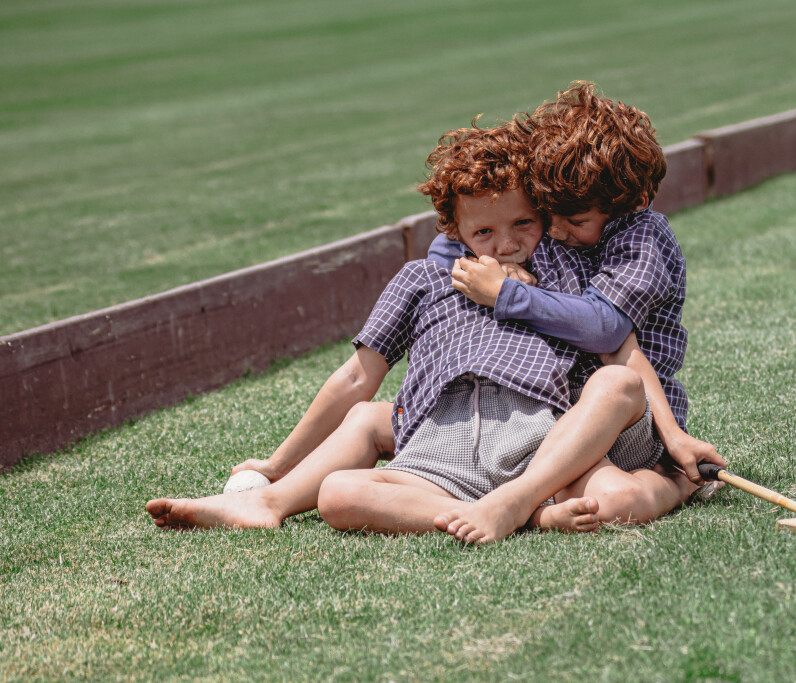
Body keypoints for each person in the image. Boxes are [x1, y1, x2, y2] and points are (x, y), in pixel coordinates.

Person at [146, 122, 666, 542]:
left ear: (544, 216)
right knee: (338, 494)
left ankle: (519, 502)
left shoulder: (563, 272)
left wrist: (671, 435)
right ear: (455, 232)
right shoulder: (422, 280)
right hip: (439, 449)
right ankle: (269, 503)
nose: (506, 245)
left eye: (522, 224)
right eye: (484, 232)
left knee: (615, 496)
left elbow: (614, 342)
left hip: (537, 445)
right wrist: (277, 463)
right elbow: (357, 377)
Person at [429, 81, 725, 538]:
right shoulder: (558, 220)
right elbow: (447, 246)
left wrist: (506, 293)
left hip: (633, 417)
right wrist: (493, 268)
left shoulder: (643, 238)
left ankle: (675, 483)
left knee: (613, 503)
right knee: (379, 425)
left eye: (577, 221)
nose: (556, 231)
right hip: (553, 413)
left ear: (634, 203)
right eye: (547, 214)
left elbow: (605, 330)